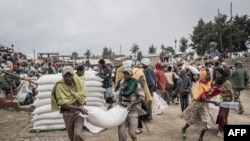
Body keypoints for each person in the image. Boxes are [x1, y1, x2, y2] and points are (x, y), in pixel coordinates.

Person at [181, 68, 223, 141]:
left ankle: (200, 138)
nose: (209, 76)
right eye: (207, 74)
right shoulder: (199, 84)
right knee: (192, 119)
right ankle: (184, 129)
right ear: (203, 75)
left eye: (209, 74)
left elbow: (210, 90)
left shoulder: (209, 81)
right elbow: (200, 98)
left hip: (204, 105)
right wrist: (213, 102)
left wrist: (216, 90)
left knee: (206, 122)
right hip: (197, 104)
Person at [51, 66, 88, 141]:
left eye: (70, 75)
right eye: (66, 76)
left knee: (77, 134)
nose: (68, 78)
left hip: (79, 113)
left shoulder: (78, 82)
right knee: (72, 137)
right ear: (62, 76)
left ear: (73, 75)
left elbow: (83, 94)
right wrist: (78, 108)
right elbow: (63, 104)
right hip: (68, 114)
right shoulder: (60, 86)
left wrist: (81, 106)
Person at [118, 67, 145, 141]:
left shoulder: (136, 84)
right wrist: (118, 101)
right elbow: (120, 93)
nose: (125, 76)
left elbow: (142, 97)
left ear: (131, 75)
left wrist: (132, 104)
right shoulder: (122, 83)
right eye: (124, 74)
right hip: (123, 111)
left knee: (132, 133)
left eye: (127, 74)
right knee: (121, 132)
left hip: (132, 112)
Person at [214, 67, 233, 137]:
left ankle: (221, 131)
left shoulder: (227, 83)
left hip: (226, 101)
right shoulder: (216, 81)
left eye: (218, 73)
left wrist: (230, 100)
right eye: (216, 73)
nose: (216, 75)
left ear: (222, 74)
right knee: (220, 115)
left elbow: (231, 92)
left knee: (222, 115)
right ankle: (222, 128)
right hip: (218, 102)